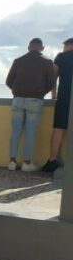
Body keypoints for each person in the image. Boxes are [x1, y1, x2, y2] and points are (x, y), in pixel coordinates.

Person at [5, 38, 55, 171]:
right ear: (42, 48)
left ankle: (12, 162)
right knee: (30, 132)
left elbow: (9, 81)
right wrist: (40, 93)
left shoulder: (18, 61)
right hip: (35, 100)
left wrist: (18, 91)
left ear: (28, 48)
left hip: (17, 99)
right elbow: (51, 83)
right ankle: (27, 163)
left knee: (15, 132)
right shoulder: (47, 62)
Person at [42, 38, 73, 173]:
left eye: (65, 44)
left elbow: (53, 77)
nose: (63, 47)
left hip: (64, 98)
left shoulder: (61, 57)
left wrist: (53, 95)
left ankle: (52, 160)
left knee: (58, 129)